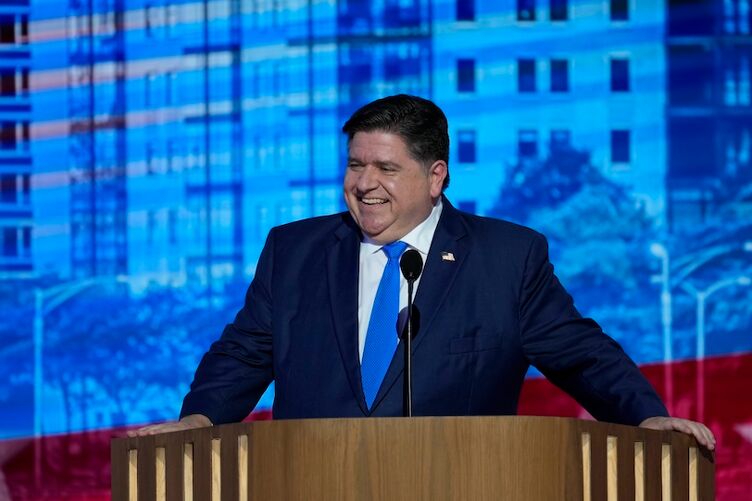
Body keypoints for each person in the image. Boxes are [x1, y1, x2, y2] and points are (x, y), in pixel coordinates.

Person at [132, 95, 715, 450]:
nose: (364, 184)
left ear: (436, 176)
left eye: (387, 167)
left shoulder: (506, 258)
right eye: (356, 165)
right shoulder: (295, 250)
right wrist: (201, 418)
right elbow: (244, 353)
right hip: (309, 482)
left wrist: (645, 414)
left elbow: (582, 353)